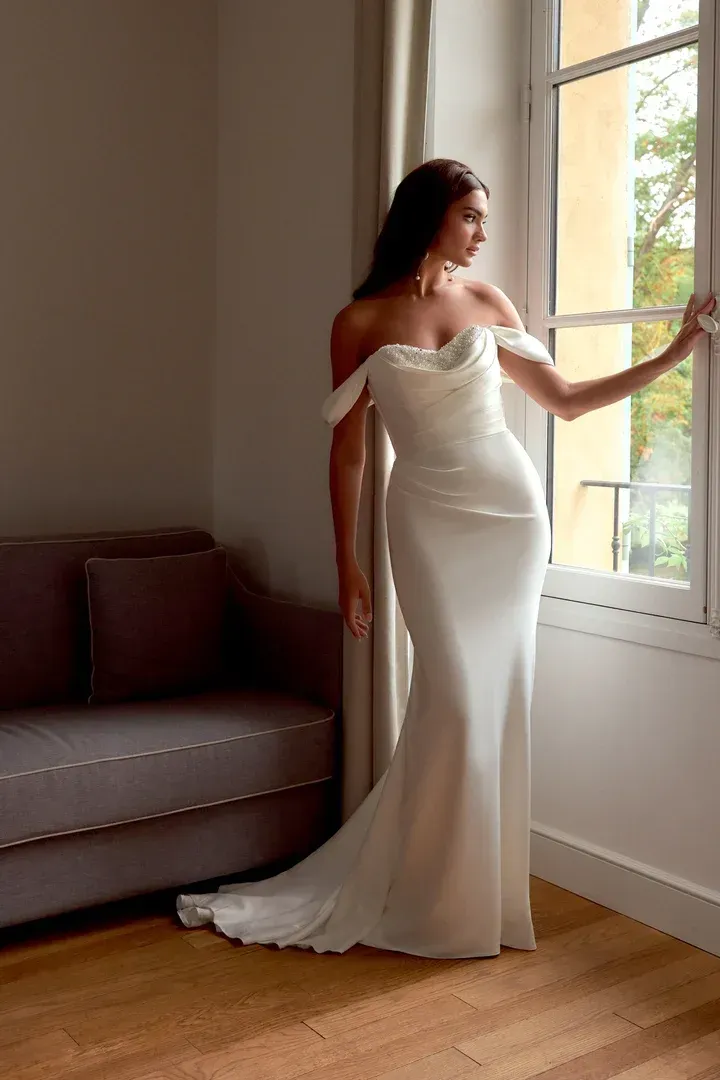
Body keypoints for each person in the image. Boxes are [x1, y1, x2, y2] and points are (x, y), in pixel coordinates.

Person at [178, 158, 716, 958]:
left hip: (509, 518)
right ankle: (434, 893)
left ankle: (472, 900)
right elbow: (350, 453)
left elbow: (565, 402)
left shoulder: (487, 303)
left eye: (484, 217)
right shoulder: (357, 323)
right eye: (471, 216)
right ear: (429, 216)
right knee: (455, 704)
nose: (482, 232)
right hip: (426, 521)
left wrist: (674, 352)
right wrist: (348, 563)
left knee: (492, 709)